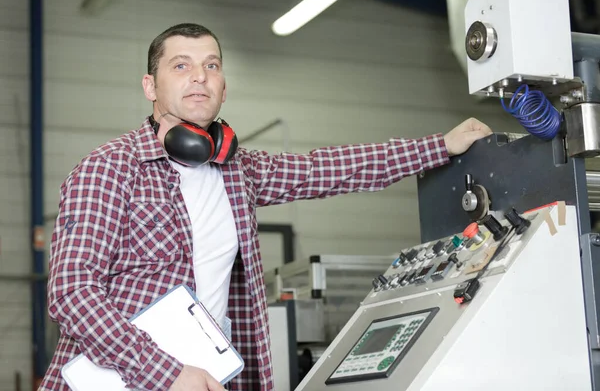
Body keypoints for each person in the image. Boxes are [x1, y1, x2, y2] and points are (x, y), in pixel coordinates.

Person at [39, 22, 492, 391]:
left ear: (223, 85)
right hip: (121, 379)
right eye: (181, 65)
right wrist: (166, 373)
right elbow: (72, 292)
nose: (199, 75)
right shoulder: (110, 169)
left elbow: (331, 169)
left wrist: (440, 146)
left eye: (211, 65)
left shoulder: (239, 171)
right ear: (149, 86)